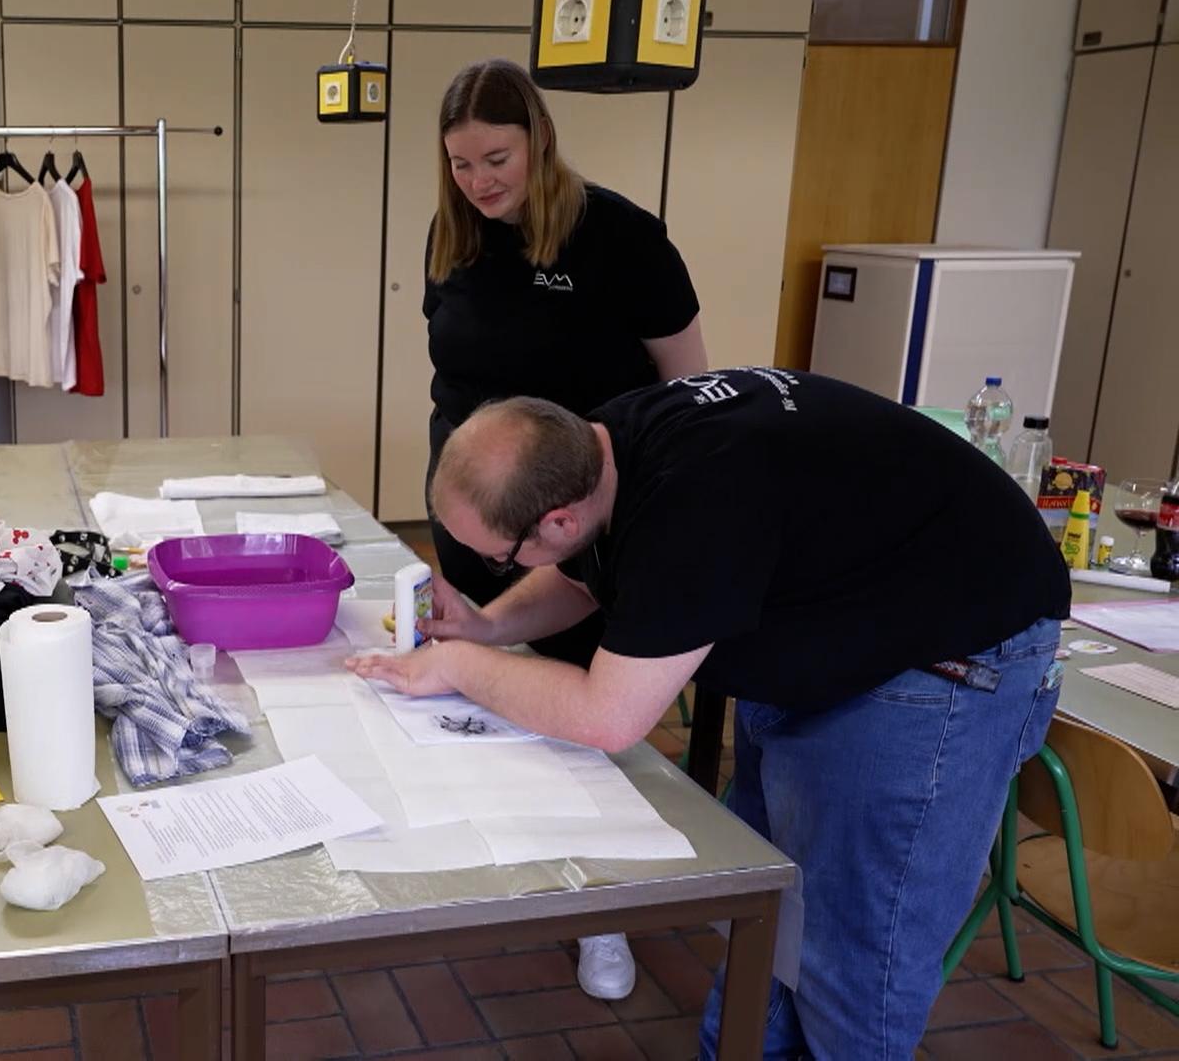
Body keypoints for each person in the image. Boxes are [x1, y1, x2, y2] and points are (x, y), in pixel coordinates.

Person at [351, 368, 1070, 1058]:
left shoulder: (694, 504)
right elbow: (584, 574)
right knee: (777, 922)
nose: (503, 571)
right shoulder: (602, 446)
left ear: (559, 518)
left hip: (942, 661)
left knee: (855, 963)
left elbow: (609, 716)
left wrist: (457, 667)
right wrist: (484, 626)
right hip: (837, 628)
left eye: (500, 559)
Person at [424, 56, 708, 998]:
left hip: (585, 520)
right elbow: (454, 381)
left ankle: (604, 910)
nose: (480, 181)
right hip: (479, 512)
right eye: (461, 164)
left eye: (496, 157)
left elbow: (689, 392)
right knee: (489, 692)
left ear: (540, 138)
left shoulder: (620, 237)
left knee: (591, 714)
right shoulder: (454, 237)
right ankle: (504, 859)